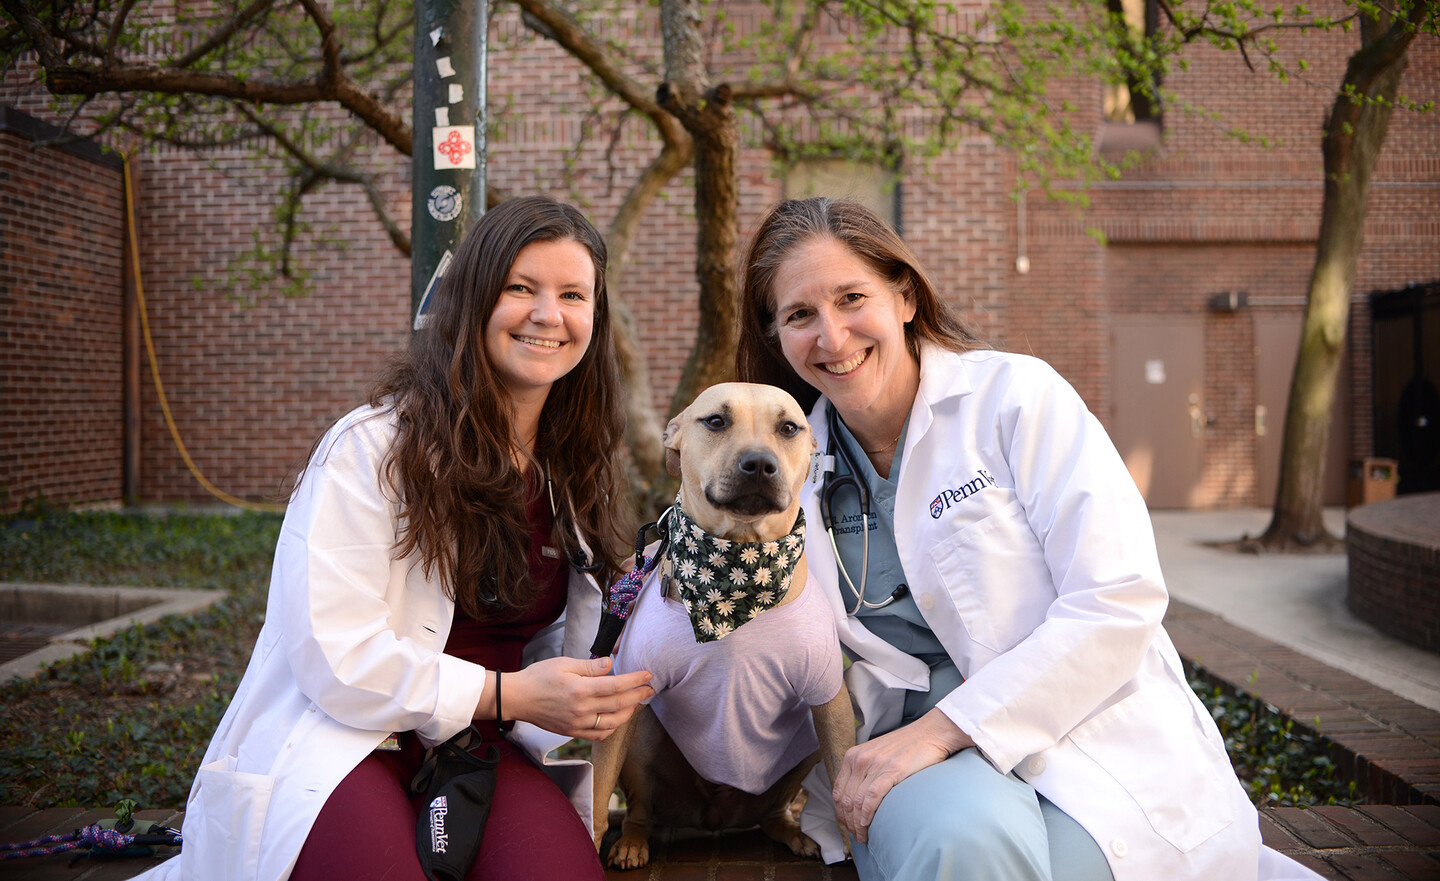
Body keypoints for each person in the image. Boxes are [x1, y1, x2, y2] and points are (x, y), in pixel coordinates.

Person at [735, 197, 1323, 881]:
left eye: (851, 297)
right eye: (800, 314)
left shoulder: (1015, 398)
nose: (832, 337)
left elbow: (1119, 599)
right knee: (963, 850)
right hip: (917, 761)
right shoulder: (787, 474)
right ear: (776, 337)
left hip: (1081, 727)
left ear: (903, 296)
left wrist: (945, 726)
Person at [137, 197, 654, 881]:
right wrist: (511, 694)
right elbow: (336, 655)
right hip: (349, 739)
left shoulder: (573, 468)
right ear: (472, 301)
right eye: (519, 288)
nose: (547, 314)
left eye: (571, 294)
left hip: (479, 748)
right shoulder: (372, 448)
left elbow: (560, 644)